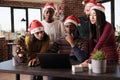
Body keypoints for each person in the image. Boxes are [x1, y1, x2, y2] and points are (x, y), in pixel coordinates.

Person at [48, 15, 89, 80]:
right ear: (64, 28)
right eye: (67, 26)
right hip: (63, 67)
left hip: (77, 68)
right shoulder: (59, 41)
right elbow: (49, 54)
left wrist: (72, 43)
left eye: (72, 26)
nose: (69, 29)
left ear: (76, 28)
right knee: (51, 77)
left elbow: (81, 58)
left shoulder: (83, 41)